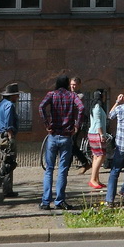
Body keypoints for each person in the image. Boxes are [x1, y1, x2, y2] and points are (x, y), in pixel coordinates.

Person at [39, 74, 84, 211]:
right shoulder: (72, 96)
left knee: (49, 169)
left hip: (53, 135)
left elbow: (41, 107)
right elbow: (81, 108)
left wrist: (47, 123)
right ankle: (60, 201)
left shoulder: (51, 94)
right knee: (63, 170)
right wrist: (77, 125)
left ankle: (46, 201)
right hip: (66, 136)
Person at [69, 75, 91, 172]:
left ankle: (85, 162)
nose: (72, 86)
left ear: (79, 85)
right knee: (70, 144)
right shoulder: (70, 94)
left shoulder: (80, 96)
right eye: (71, 85)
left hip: (77, 123)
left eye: (74, 85)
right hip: (69, 123)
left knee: (72, 144)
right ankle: (67, 166)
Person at [87, 89, 108, 189]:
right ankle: (92, 179)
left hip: (94, 133)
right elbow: (98, 121)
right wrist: (102, 135)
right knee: (101, 156)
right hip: (96, 134)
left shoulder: (97, 106)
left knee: (96, 156)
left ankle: (96, 179)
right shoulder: (97, 107)